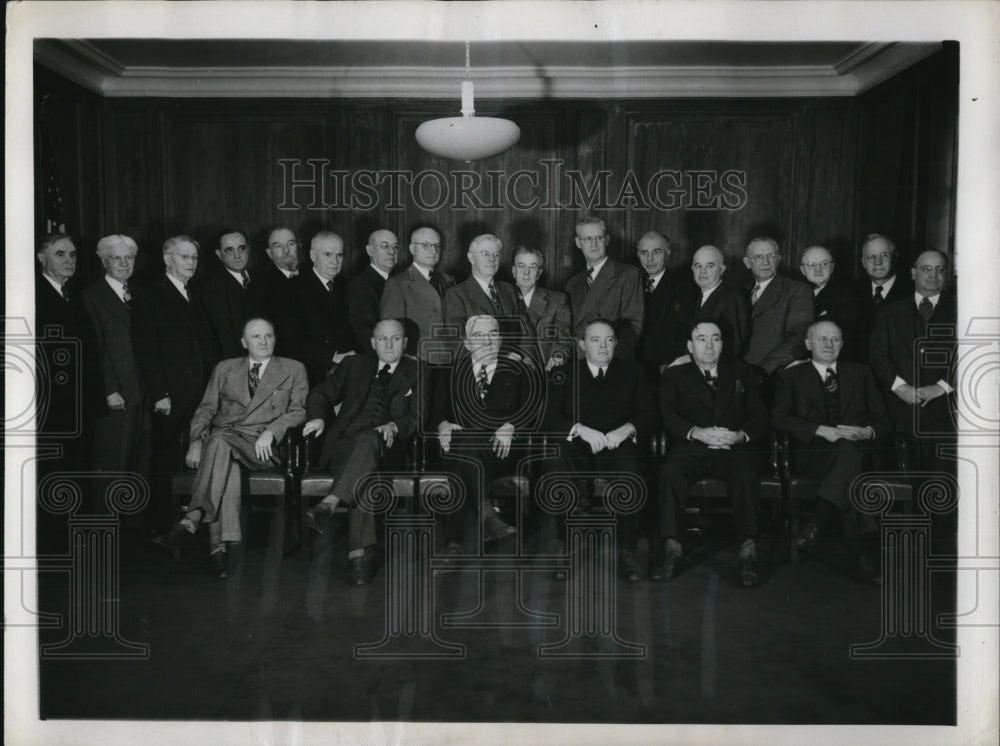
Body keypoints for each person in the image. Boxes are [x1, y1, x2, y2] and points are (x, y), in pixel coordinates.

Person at [166, 318, 308, 578]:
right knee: (225, 460)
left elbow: (298, 411)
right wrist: (196, 440)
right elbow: (206, 408)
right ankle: (219, 550)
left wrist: (271, 431)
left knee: (218, 443)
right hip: (225, 441)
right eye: (256, 337)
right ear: (244, 342)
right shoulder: (225, 368)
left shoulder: (293, 368)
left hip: (261, 447)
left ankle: (194, 515)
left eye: (269, 335)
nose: (264, 341)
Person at [302, 319, 424, 585]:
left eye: (395, 339)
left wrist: (393, 424)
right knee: (364, 473)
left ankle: (330, 503)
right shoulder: (354, 365)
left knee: (369, 442)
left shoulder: (417, 371)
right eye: (382, 339)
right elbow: (319, 395)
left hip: (389, 448)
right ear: (372, 342)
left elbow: (418, 415)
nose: (389, 344)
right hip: (344, 444)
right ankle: (357, 557)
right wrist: (318, 418)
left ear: (405, 343)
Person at [773, 321, 892, 584]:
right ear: (808, 344)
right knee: (851, 473)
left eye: (835, 340)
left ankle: (816, 524)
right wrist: (819, 429)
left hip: (858, 451)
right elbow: (779, 418)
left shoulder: (861, 373)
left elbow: (883, 420)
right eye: (822, 339)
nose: (829, 345)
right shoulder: (791, 376)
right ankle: (860, 559)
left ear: (842, 344)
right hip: (813, 456)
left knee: (849, 453)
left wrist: (866, 432)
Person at [654, 321, 767, 587]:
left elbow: (760, 417)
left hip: (731, 447)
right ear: (690, 347)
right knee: (670, 473)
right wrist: (697, 432)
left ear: (722, 345)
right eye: (702, 339)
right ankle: (672, 547)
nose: (709, 345)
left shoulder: (743, 375)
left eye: (715, 339)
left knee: (745, 475)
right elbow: (667, 416)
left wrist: (740, 435)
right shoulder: (674, 376)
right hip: (691, 447)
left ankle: (748, 550)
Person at [541, 320, 655, 582]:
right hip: (577, 445)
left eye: (609, 340)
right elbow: (547, 417)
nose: (603, 346)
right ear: (582, 345)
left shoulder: (633, 372)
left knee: (632, 468)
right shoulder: (565, 372)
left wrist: (627, 429)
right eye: (595, 340)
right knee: (556, 461)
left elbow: (650, 413)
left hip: (616, 445)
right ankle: (562, 545)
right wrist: (579, 429)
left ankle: (626, 551)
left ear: (616, 344)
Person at [135, 235, 212, 538]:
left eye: (194, 257)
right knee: (166, 458)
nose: (191, 263)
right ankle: (161, 525)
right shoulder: (151, 295)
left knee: (193, 455)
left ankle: (187, 522)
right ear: (167, 259)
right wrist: (160, 394)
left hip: (196, 392)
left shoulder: (193, 294)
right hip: (171, 395)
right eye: (184, 257)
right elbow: (147, 349)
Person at [433, 315, 531, 551]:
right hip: (460, 449)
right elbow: (434, 412)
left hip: (502, 453)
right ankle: (489, 519)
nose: (487, 341)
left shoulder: (519, 371)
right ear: (467, 343)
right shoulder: (450, 373)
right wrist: (442, 425)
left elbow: (534, 414)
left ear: (500, 339)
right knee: (466, 450)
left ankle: (454, 545)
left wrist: (512, 426)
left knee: (462, 461)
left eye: (493, 334)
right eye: (479, 336)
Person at [868, 250, 956, 472]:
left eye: (940, 269)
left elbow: (972, 355)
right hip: (900, 409)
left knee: (943, 482)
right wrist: (900, 387)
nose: (933, 274)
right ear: (913, 272)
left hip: (947, 409)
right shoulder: (888, 312)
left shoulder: (962, 310)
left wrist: (942, 387)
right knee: (903, 479)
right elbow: (878, 356)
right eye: (926, 269)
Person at [80, 234, 151, 489]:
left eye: (129, 257)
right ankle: (108, 525)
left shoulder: (141, 294)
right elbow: (95, 348)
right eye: (116, 258)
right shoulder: (90, 296)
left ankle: (134, 526)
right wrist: (109, 390)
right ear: (104, 262)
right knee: (112, 464)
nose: (124, 263)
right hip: (116, 394)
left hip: (143, 392)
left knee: (139, 464)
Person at [35, 233, 95, 473]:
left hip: (77, 402)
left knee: (76, 467)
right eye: (60, 254)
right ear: (42, 258)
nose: (69, 260)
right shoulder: (32, 295)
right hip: (49, 404)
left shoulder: (75, 294)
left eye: (73, 254)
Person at [443, 233, 534, 361]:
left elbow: (526, 329)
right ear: (471, 257)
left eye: (496, 255)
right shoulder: (456, 294)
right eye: (485, 254)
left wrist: (527, 358)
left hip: (518, 367)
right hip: (481, 371)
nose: (492, 259)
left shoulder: (510, 290)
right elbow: (456, 341)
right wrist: (503, 358)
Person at [564, 217, 644, 360]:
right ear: (578, 243)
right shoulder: (572, 283)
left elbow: (633, 326)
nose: (594, 244)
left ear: (606, 240)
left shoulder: (627, 274)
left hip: (611, 361)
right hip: (578, 361)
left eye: (598, 238)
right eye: (587, 239)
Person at [289, 231, 356, 385]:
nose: (335, 261)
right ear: (313, 256)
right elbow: (291, 338)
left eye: (339, 255)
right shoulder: (292, 288)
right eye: (328, 254)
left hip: (346, 373)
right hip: (309, 374)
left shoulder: (348, 287)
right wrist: (333, 356)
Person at [380, 226, 455, 361]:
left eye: (437, 246)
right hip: (417, 359)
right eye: (426, 245)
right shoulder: (397, 283)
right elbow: (391, 330)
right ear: (412, 249)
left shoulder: (448, 280)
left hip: (449, 358)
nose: (433, 250)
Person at [743, 236, 814, 374]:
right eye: (758, 257)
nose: (766, 262)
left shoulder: (797, 290)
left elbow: (798, 339)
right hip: (740, 374)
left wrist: (764, 370)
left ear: (779, 259)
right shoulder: (741, 292)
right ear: (747, 262)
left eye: (771, 256)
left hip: (773, 374)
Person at [680, 245, 749, 363]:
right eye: (698, 266)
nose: (702, 271)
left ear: (721, 269)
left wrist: (688, 360)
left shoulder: (732, 297)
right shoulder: (693, 298)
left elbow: (734, 346)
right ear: (692, 269)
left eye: (710, 266)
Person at [634, 231, 688, 383]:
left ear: (667, 253)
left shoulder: (683, 287)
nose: (649, 259)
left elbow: (681, 333)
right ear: (638, 254)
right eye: (644, 252)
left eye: (656, 252)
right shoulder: (631, 283)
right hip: (634, 367)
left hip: (664, 369)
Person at [197, 228, 254, 366]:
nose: (237, 255)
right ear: (219, 254)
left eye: (241, 248)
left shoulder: (260, 278)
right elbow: (224, 338)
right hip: (237, 365)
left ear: (248, 249)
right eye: (229, 250)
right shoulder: (210, 287)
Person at [511, 245, 573, 371]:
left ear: (539, 273)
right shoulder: (502, 298)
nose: (526, 272)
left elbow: (564, 340)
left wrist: (558, 356)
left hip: (545, 371)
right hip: (511, 370)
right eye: (521, 266)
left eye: (532, 267)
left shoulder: (557, 300)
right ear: (514, 271)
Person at [854, 233, 913, 355]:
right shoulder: (852, 293)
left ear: (895, 257)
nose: (878, 262)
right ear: (863, 262)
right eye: (871, 257)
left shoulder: (912, 292)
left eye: (884, 255)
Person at [798, 245, 860, 359]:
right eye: (812, 265)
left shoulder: (846, 296)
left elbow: (846, 340)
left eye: (824, 264)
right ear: (803, 270)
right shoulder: (795, 292)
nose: (818, 269)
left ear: (832, 267)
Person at [246, 226, 300, 355]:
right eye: (278, 246)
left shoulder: (312, 277)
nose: (286, 250)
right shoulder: (259, 286)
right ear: (270, 253)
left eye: (290, 244)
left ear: (297, 247)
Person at [347, 229, 398, 351]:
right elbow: (365, 331)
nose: (392, 252)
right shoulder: (361, 284)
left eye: (395, 247)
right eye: (384, 246)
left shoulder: (397, 281)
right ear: (370, 250)